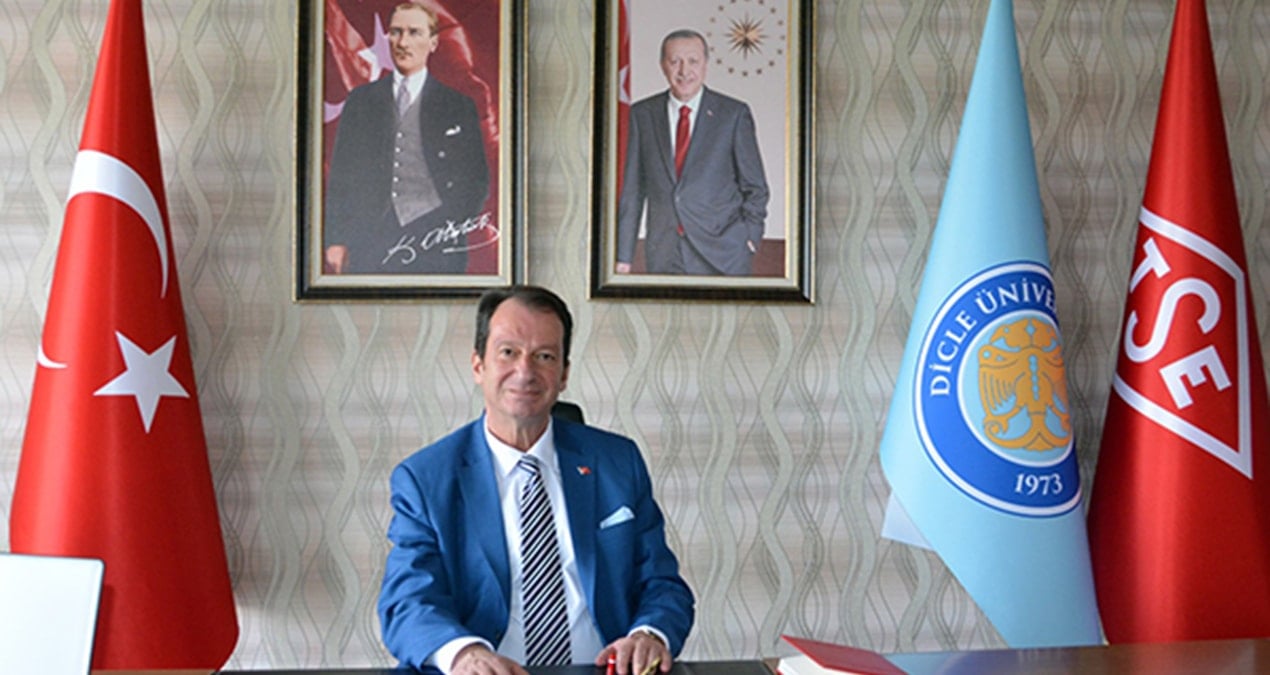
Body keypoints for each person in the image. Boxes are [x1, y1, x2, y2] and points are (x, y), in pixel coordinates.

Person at [378, 286, 695, 675]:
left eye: (544, 356)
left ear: (564, 375)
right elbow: (407, 602)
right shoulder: (426, 478)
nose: (525, 371)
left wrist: (648, 634)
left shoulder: (617, 462)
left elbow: (662, 583)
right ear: (478, 365)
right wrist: (464, 655)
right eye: (508, 352)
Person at [324, 2, 489, 275]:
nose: (403, 42)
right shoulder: (361, 101)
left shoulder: (457, 105)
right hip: (370, 241)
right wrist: (336, 240)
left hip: (435, 242)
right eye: (396, 32)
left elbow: (476, 179)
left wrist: (449, 226)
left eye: (414, 32)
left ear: (433, 42)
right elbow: (342, 175)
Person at [617, 29, 770, 276]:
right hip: (664, 254)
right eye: (675, 61)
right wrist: (623, 257)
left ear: (705, 64)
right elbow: (632, 192)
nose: (684, 71)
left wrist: (749, 237)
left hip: (724, 255)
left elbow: (755, 187)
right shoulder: (642, 115)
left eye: (693, 61)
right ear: (662, 65)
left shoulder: (733, 114)